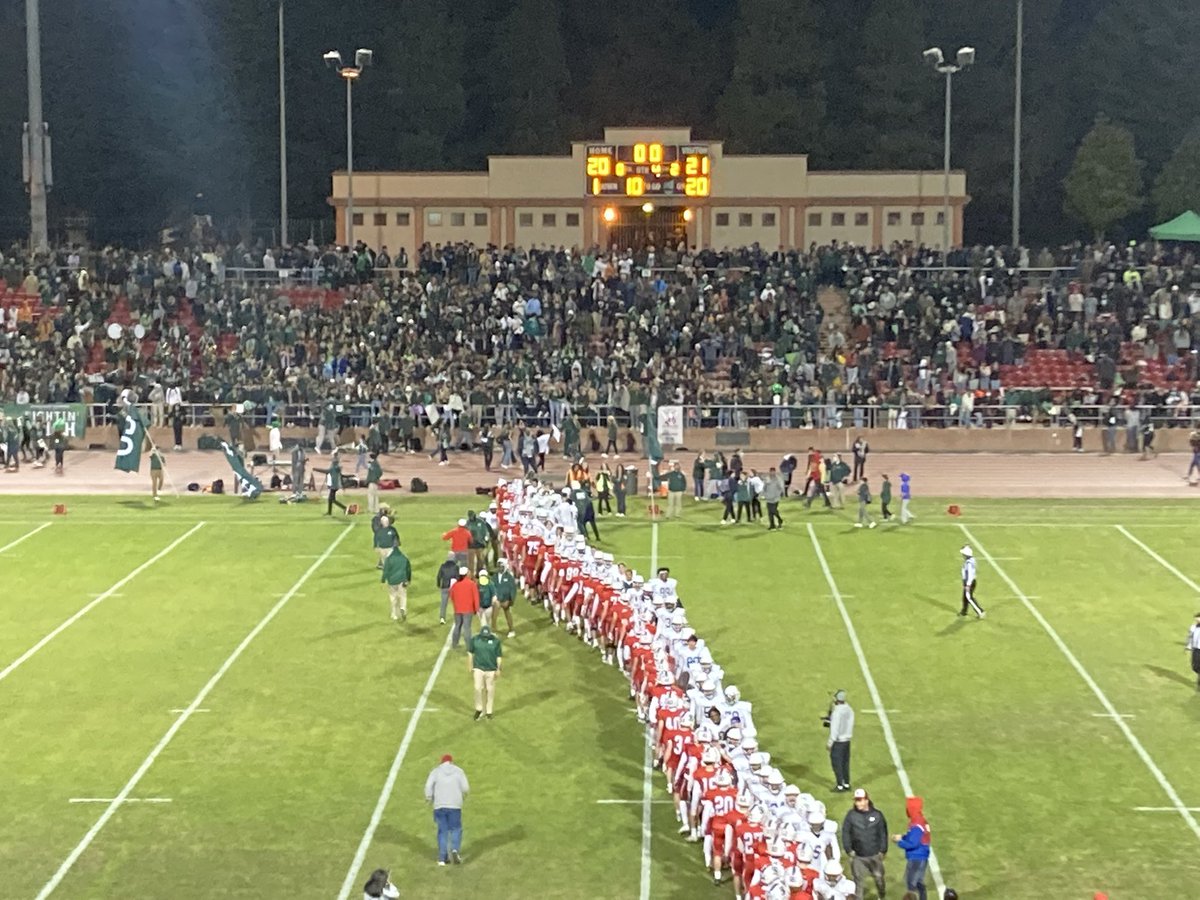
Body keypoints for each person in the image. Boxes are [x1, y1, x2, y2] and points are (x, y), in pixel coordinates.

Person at [842, 788, 888, 900]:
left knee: (879, 879)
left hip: (875, 855)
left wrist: (883, 850)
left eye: (860, 800)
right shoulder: (851, 816)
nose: (858, 803)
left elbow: (883, 833)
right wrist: (848, 850)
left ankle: (882, 896)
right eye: (856, 800)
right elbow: (846, 833)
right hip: (858, 856)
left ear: (867, 800)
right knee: (858, 883)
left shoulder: (877, 815)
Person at [424, 754, 469, 866]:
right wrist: (463, 794)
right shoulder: (459, 771)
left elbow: (428, 785)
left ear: (441, 762)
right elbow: (465, 787)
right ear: (451, 762)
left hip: (439, 806)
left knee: (442, 831)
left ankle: (442, 858)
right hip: (454, 805)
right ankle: (455, 850)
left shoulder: (436, 771)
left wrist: (429, 797)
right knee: (456, 828)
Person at [892, 796, 931, 900]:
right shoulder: (921, 820)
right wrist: (903, 837)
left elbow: (913, 844)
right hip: (922, 856)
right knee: (919, 882)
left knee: (911, 885)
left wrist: (899, 842)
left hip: (916, 858)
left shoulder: (916, 824)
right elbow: (916, 837)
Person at [467, 623, 503, 720]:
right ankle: (479, 709)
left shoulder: (496, 641)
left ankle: (489, 711)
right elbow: (470, 653)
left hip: (491, 669)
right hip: (478, 668)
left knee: (490, 690)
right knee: (477, 688)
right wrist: (470, 665)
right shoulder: (475, 639)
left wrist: (498, 669)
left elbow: (499, 656)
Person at [827, 689, 854, 792]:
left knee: (837, 764)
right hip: (847, 741)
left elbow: (834, 730)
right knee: (845, 763)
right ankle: (846, 783)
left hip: (838, 742)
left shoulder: (837, 712)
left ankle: (839, 785)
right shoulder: (849, 709)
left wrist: (830, 743)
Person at [449, 567, 480, 651]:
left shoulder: (455, 585)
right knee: (467, 628)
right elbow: (476, 597)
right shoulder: (471, 584)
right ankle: (469, 646)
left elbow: (451, 596)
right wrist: (476, 609)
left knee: (457, 626)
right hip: (468, 609)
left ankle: (454, 644)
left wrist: (456, 605)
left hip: (457, 610)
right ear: (466, 574)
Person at [381, 545, 412, 622]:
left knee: (393, 597)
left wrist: (383, 580)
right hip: (402, 580)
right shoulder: (404, 558)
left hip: (392, 581)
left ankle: (394, 613)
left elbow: (386, 570)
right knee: (403, 595)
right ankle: (403, 608)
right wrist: (408, 579)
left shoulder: (389, 559)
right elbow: (408, 570)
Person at [959, 545, 985, 618]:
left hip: (969, 583)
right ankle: (964, 611)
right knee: (965, 597)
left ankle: (980, 611)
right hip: (969, 582)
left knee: (969, 597)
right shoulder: (971, 560)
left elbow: (970, 575)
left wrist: (967, 585)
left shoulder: (969, 563)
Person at [494, 559, 518, 637]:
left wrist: (511, 600)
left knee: (508, 615)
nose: (499, 568)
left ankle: (511, 630)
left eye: (501, 566)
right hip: (497, 600)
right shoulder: (494, 576)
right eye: (498, 566)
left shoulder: (509, 577)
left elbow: (513, 589)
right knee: (494, 616)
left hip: (506, 600)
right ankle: (493, 631)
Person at [436, 552, 458, 625]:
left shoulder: (443, 566)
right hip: (454, 588)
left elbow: (439, 576)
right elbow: (458, 577)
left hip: (444, 587)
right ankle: (457, 617)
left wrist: (439, 584)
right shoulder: (456, 567)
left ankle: (442, 618)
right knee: (456, 603)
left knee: (443, 603)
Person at [1186, 612, 1200, 689]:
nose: (1196, 619)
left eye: (1198, 618)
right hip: (1195, 649)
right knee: (1195, 667)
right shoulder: (1193, 627)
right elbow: (1190, 637)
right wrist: (1188, 646)